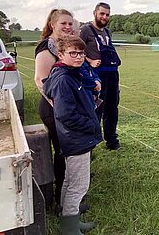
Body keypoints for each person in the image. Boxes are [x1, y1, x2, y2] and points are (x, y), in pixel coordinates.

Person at [43, 35, 102, 234]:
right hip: (76, 138)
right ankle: (69, 228)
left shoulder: (72, 73)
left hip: (75, 137)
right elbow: (66, 115)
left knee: (69, 180)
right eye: (73, 53)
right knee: (79, 185)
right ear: (61, 55)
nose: (78, 57)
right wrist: (91, 125)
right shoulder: (63, 80)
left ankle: (69, 216)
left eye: (81, 53)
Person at [34, 8, 74, 208]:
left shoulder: (61, 44)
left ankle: (65, 199)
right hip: (53, 109)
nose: (68, 27)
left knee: (66, 152)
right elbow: (41, 81)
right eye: (63, 24)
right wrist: (59, 107)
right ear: (52, 24)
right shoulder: (46, 47)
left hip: (63, 108)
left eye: (70, 23)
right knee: (62, 152)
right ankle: (61, 202)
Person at [80, 2, 121, 150]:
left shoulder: (107, 32)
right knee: (96, 108)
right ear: (94, 13)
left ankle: (111, 140)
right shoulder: (85, 30)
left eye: (107, 15)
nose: (104, 17)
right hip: (96, 76)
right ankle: (92, 142)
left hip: (112, 74)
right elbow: (75, 51)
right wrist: (90, 61)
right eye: (102, 14)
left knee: (112, 108)